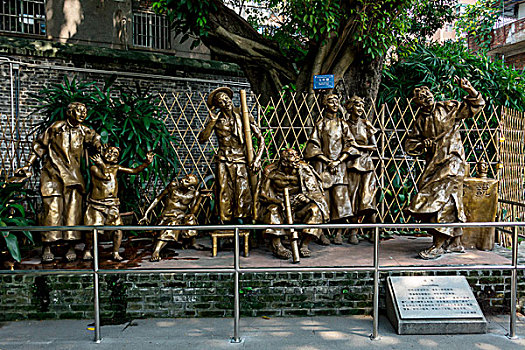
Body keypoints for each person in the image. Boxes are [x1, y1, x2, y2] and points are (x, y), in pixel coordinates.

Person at [405, 77, 485, 260]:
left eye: (428, 94)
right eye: (422, 98)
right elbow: (410, 143)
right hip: (433, 164)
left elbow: (476, 105)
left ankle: (439, 245)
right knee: (449, 200)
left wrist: (469, 89)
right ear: (418, 104)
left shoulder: (448, 107)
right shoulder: (420, 120)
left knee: (442, 198)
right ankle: (455, 243)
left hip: (453, 160)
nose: (427, 98)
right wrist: (422, 145)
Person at [15, 102, 102, 262]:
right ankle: (47, 246)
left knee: (73, 211)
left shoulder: (84, 131)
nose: (83, 114)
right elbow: (40, 146)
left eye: (84, 111)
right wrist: (28, 165)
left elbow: (96, 139)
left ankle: (71, 246)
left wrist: (98, 145)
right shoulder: (56, 128)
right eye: (79, 111)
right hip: (53, 174)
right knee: (51, 210)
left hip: (74, 177)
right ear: (70, 113)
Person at [198, 87, 264, 223]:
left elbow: (260, 138)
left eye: (226, 98)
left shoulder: (243, 114)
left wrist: (257, 159)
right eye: (221, 101)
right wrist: (212, 122)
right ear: (217, 106)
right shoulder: (216, 120)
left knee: (243, 192)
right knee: (224, 192)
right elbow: (202, 139)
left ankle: (245, 226)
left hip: (240, 159)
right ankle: (226, 225)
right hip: (223, 159)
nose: (226, 102)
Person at [83, 147, 155, 261]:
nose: (111, 154)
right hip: (97, 204)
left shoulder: (116, 168)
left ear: (117, 159)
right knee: (91, 230)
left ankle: (115, 252)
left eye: (115, 153)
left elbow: (134, 171)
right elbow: (105, 177)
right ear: (103, 153)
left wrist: (146, 163)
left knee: (118, 229)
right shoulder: (94, 168)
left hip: (112, 204)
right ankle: (87, 249)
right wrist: (101, 164)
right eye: (109, 151)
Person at [257, 148, 329, 259]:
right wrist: (278, 202)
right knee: (272, 211)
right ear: (283, 162)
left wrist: (307, 197)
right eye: (291, 165)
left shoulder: (303, 169)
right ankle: (278, 246)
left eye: (296, 164)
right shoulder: (271, 171)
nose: (294, 167)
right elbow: (262, 194)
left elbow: (315, 190)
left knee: (315, 209)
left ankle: (304, 244)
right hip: (279, 204)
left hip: (299, 206)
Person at [304, 94, 354, 244]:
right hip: (323, 167)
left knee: (340, 199)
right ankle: (322, 233)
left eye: (336, 101)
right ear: (325, 104)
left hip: (340, 167)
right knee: (323, 199)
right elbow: (313, 146)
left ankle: (338, 232)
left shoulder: (343, 124)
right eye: (331, 101)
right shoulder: (320, 124)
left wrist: (338, 161)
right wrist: (327, 160)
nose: (334, 104)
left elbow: (350, 145)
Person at [138, 174, 211, 262]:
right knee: (173, 223)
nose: (182, 179)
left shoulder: (194, 193)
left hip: (180, 217)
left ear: (190, 187)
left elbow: (193, 211)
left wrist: (200, 199)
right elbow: (158, 199)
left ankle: (192, 242)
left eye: (187, 181)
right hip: (167, 217)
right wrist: (146, 214)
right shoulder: (173, 186)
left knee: (191, 218)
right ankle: (156, 250)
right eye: (185, 177)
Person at [343, 96, 379, 245]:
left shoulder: (366, 124)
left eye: (362, 106)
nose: (360, 108)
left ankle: (373, 230)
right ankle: (353, 231)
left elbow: (374, 147)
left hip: (366, 163)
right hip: (351, 164)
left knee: (368, 198)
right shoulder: (344, 125)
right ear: (351, 107)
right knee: (352, 197)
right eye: (357, 105)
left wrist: (359, 147)